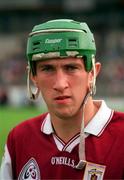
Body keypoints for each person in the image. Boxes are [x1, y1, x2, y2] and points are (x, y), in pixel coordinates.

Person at [0, 19, 124, 180]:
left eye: (71, 68)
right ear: (33, 77)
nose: (60, 84)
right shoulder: (19, 139)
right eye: (47, 68)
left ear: (92, 73)